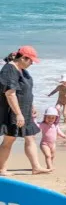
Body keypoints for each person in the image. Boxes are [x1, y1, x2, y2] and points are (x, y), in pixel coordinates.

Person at [0, 46, 41, 177]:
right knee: (9, 139)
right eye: (31, 61)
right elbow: (10, 93)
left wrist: (31, 106)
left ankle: (36, 167)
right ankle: (1, 169)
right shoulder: (9, 69)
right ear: (23, 58)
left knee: (30, 137)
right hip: (13, 111)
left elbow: (25, 90)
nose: (32, 63)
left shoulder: (22, 70)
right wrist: (18, 114)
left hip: (25, 110)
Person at [36, 106, 66, 173]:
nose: (50, 119)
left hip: (53, 144)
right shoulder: (43, 124)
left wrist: (64, 136)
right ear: (45, 117)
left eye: (52, 118)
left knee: (52, 156)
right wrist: (33, 118)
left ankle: (49, 166)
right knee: (48, 155)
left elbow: (59, 132)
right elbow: (37, 126)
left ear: (56, 118)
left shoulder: (55, 125)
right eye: (48, 117)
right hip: (44, 144)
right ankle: (50, 168)